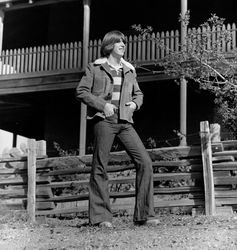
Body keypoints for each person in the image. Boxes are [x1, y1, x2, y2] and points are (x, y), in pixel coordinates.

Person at [76, 30, 159, 227]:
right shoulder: (95, 68)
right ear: (109, 46)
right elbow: (81, 92)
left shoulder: (129, 70)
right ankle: (101, 218)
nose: (123, 44)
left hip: (125, 122)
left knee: (145, 162)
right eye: (118, 42)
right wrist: (102, 105)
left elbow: (138, 93)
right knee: (100, 166)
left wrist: (135, 105)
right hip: (104, 119)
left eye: (124, 42)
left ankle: (144, 215)